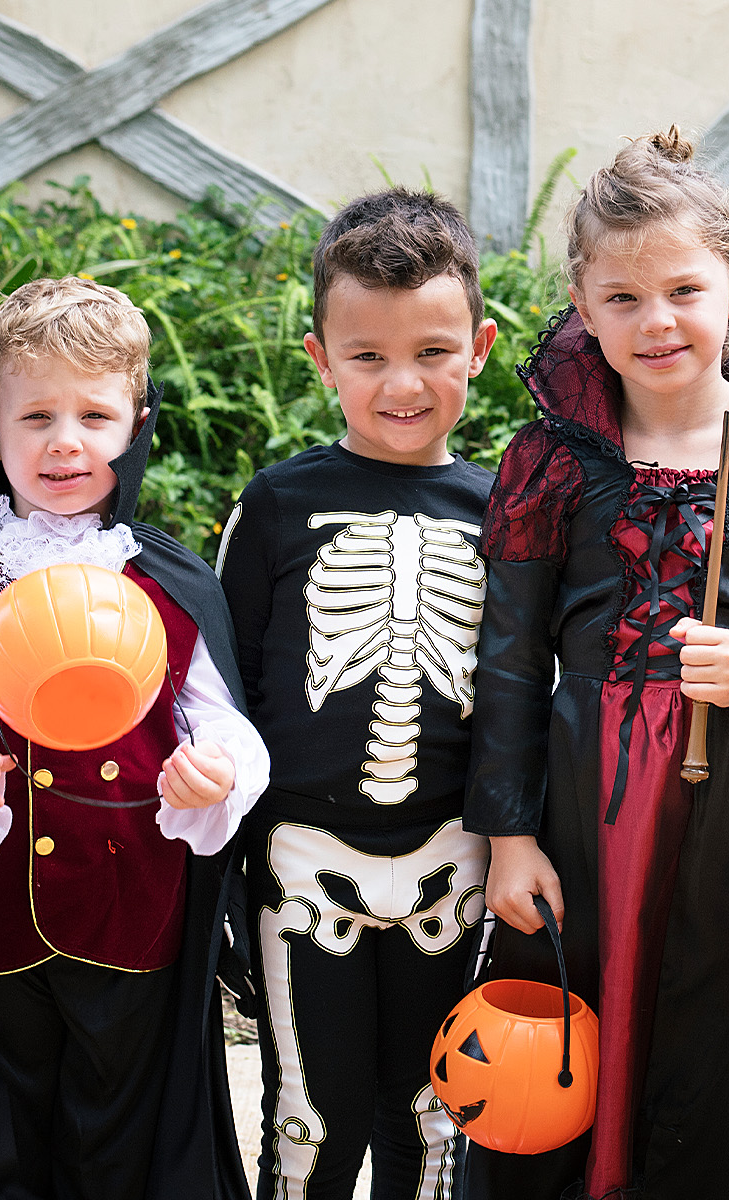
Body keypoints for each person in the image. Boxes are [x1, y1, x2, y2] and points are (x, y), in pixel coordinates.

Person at [463, 126, 729, 1200]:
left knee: (714, 1020)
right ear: (582, 303)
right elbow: (506, 661)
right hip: (579, 795)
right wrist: (507, 836)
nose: (656, 323)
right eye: (623, 299)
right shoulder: (551, 461)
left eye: (684, 290)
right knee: (571, 1030)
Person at [0, 277, 266, 1199]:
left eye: (94, 413)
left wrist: (218, 772)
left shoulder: (171, 585)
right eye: (36, 414)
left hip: (135, 903)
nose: (65, 440)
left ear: (135, 426)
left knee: (122, 1136)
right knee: (4, 1136)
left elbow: (223, 722)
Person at [213, 189, 500, 1200]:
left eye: (430, 351)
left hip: (453, 857)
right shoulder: (278, 504)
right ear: (319, 358)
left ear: (480, 346)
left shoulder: (504, 510)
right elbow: (227, 690)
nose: (401, 383)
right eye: (367, 357)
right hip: (301, 860)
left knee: (434, 1118)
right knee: (307, 1117)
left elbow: (518, 694)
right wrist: (222, 879)